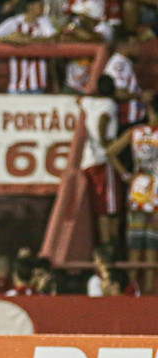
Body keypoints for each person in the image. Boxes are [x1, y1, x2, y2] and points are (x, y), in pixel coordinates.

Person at [106, 93, 158, 294]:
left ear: (149, 110)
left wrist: (126, 175)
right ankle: (150, 294)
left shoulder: (135, 132)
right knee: (153, 248)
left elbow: (110, 152)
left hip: (137, 192)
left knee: (135, 247)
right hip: (156, 195)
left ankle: (132, 293)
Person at [79, 74, 121, 245]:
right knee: (109, 207)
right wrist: (106, 143)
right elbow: (103, 121)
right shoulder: (109, 105)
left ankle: (106, 243)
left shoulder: (89, 103)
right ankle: (110, 243)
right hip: (103, 160)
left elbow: (79, 100)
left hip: (89, 159)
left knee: (101, 207)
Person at [0, 0, 57, 94]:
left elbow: (53, 39)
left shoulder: (43, 21)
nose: (42, 7)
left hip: (37, 85)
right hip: (16, 86)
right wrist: (10, 40)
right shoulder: (14, 22)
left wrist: (27, 40)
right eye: (39, 4)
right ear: (29, 7)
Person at [60, 0, 114, 95]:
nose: (79, 18)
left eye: (82, 16)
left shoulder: (105, 28)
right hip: (72, 84)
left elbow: (94, 38)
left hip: (96, 86)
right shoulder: (77, 25)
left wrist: (75, 32)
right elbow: (64, 37)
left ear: (92, 16)